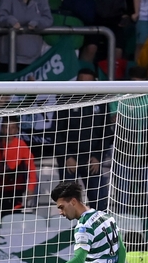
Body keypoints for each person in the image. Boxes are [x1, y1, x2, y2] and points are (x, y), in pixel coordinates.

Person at [53, 69, 111, 211]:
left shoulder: (101, 102)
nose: (84, 85)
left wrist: (98, 157)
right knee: (68, 200)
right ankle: (69, 230)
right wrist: (67, 157)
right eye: (81, 81)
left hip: (92, 159)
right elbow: (56, 132)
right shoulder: (65, 100)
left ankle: (97, 229)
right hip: (69, 158)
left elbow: (106, 132)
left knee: (99, 199)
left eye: (87, 82)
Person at [0, 116, 37, 217]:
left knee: (14, 216)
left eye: (13, 127)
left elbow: (31, 169)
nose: (9, 130)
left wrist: (30, 188)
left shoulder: (21, 145)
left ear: (17, 129)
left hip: (16, 189)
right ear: (1, 129)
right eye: (6, 127)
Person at [0, 0, 53, 72]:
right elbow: (0, 17)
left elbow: (48, 19)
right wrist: (10, 21)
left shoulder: (42, 1)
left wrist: (37, 23)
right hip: (8, 57)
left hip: (33, 57)